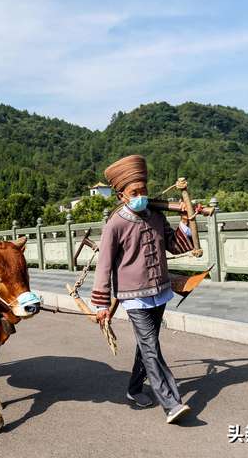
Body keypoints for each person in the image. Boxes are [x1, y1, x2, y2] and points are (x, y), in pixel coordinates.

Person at [91, 155, 194, 425]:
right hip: (133, 296)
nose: (141, 196)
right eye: (134, 192)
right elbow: (103, 266)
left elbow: (175, 245)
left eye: (144, 191)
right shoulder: (115, 224)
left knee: (147, 345)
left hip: (159, 289)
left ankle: (134, 388)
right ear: (121, 195)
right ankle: (171, 402)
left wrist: (185, 221)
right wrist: (101, 304)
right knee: (151, 346)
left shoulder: (157, 216)